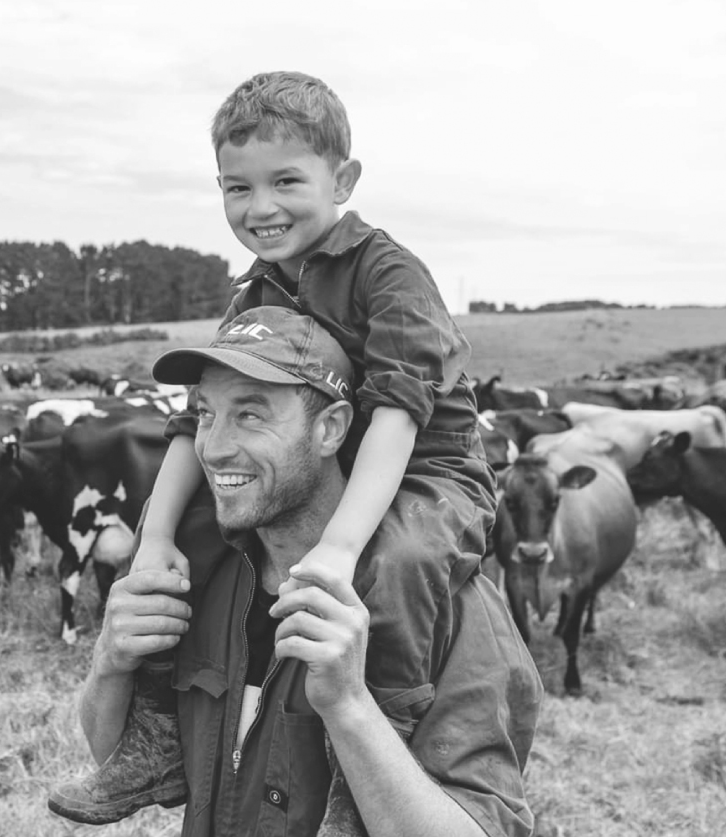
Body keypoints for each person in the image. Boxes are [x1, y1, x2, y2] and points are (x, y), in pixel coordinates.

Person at [50, 71, 500, 832]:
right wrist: (155, 542)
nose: (260, 208)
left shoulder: (387, 273)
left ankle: (365, 768)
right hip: (334, 464)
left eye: (286, 180)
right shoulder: (255, 292)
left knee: (397, 561)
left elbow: (395, 414)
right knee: (190, 532)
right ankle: (158, 733)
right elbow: (196, 428)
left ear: (344, 179)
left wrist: (337, 549)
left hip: (428, 465)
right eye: (236, 188)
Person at [67, 307, 541, 836]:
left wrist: (350, 708)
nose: (215, 447)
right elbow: (118, 752)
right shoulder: (196, 577)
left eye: (250, 415)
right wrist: (109, 661)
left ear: (330, 429)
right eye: (206, 414)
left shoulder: (443, 600)